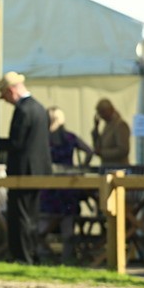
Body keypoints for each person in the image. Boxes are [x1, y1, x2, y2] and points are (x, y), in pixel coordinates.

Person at [0, 71, 51, 264]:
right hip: (38, 170)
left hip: (22, 171)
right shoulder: (39, 108)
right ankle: (33, 253)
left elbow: (17, 142)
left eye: (5, 95)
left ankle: (22, 256)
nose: (5, 100)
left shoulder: (23, 110)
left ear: (11, 90)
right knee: (32, 215)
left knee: (19, 216)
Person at [38, 107, 94, 263]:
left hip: (50, 185)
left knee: (44, 221)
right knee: (67, 223)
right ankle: (65, 257)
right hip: (68, 185)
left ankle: (44, 253)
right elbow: (89, 151)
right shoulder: (70, 138)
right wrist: (81, 168)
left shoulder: (43, 138)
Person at [90, 98, 131, 167]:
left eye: (102, 112)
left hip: (118, 167)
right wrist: (96, 128)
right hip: (107, 166)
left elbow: (123, 150)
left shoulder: (120, 125)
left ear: (111, 110)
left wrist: (103, 153)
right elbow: (98, 145)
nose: (101, 116)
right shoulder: (107, 126)